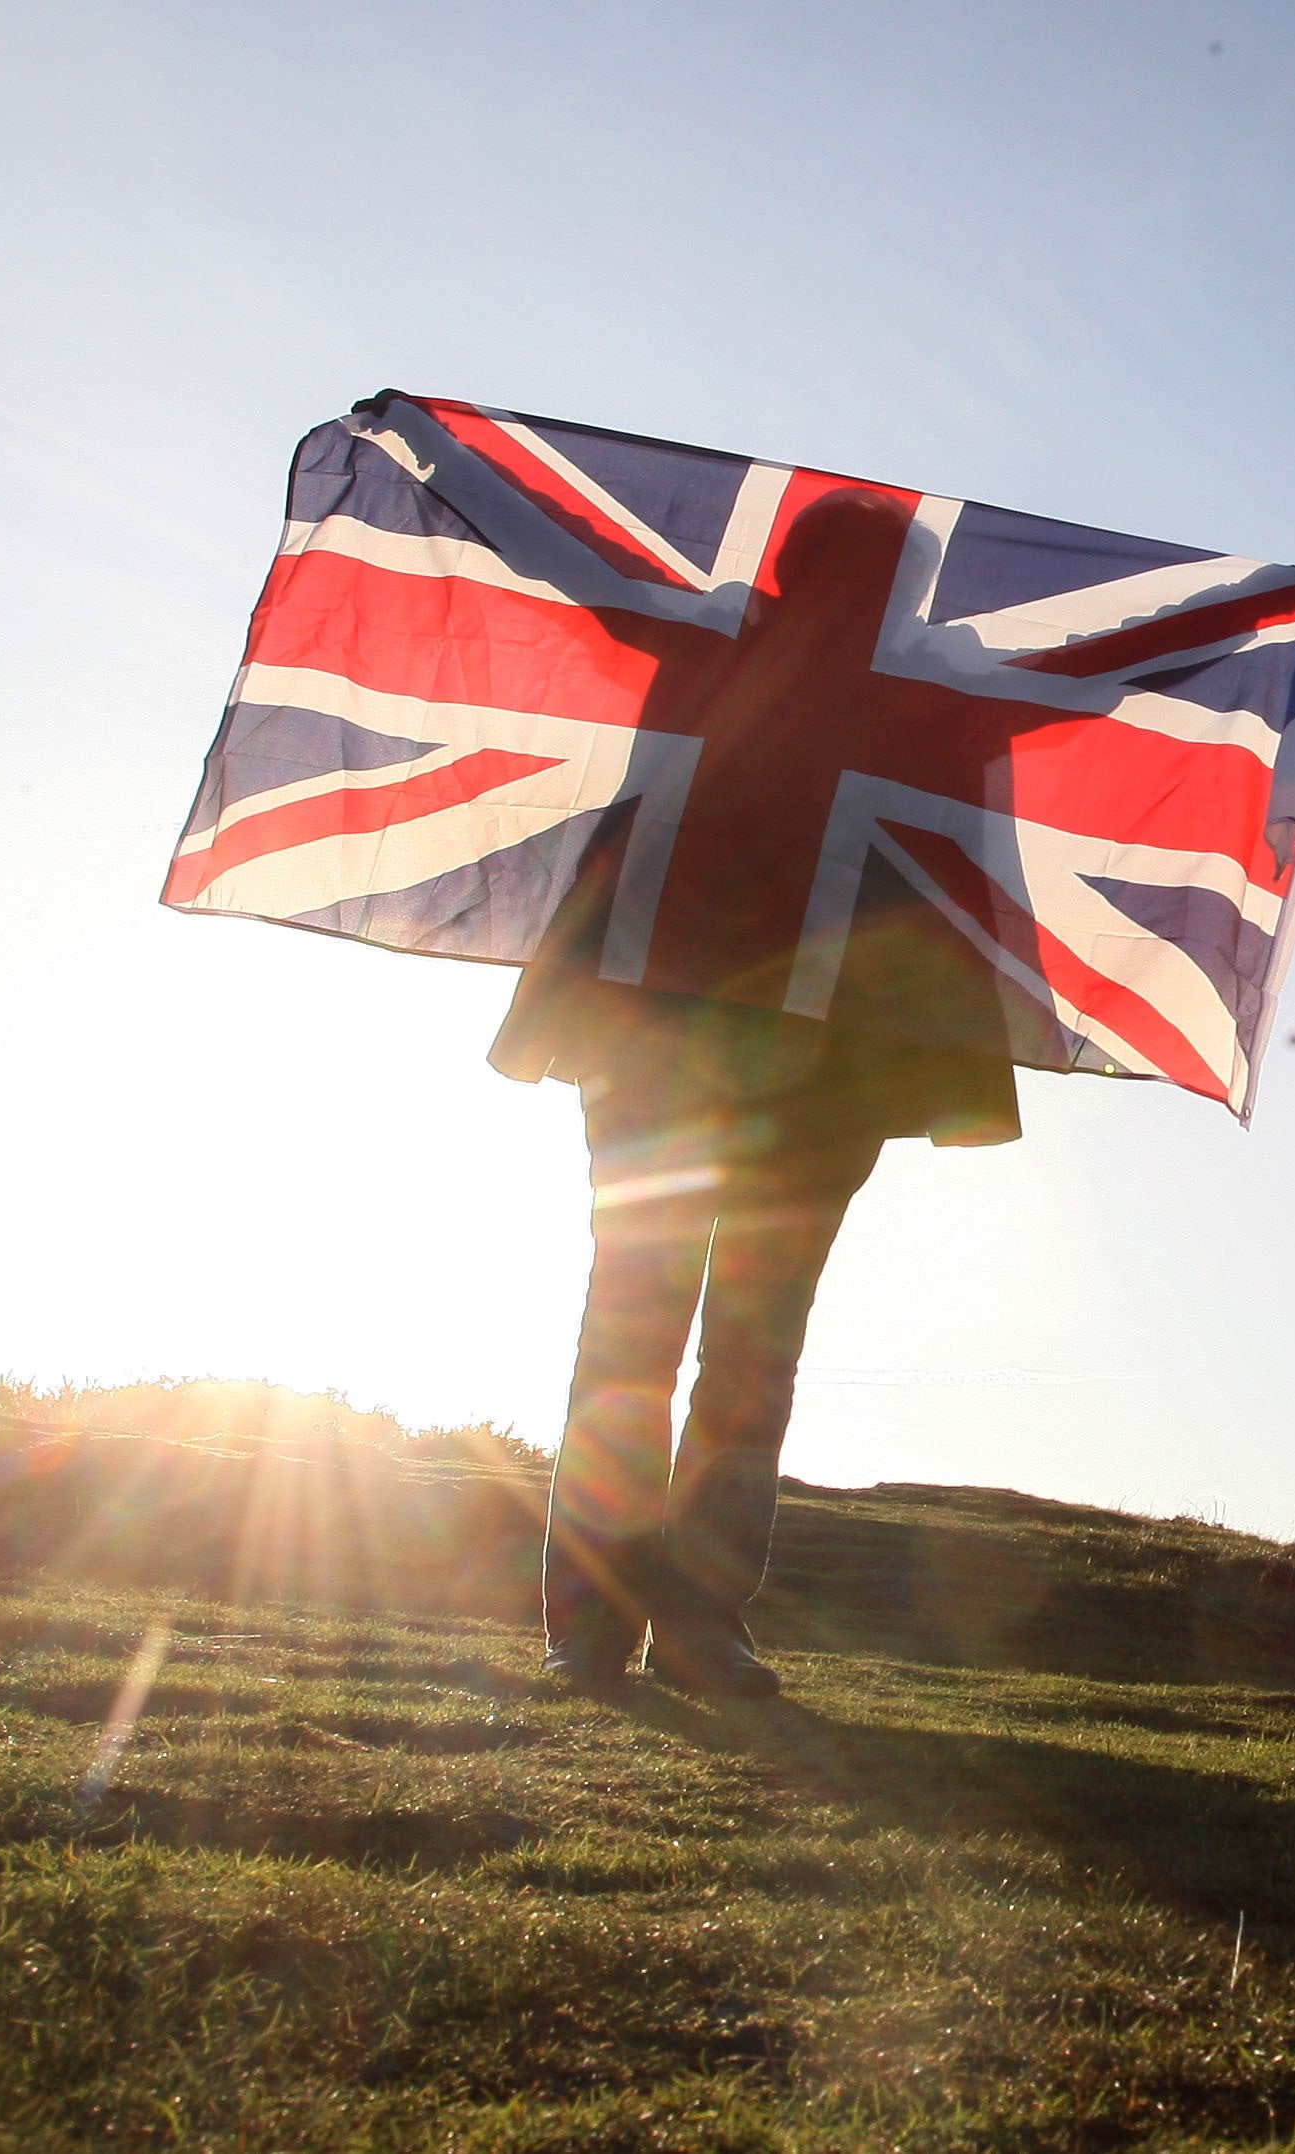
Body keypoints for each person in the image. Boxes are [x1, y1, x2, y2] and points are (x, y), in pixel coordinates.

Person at [496, 491, 1019, 1699]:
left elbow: (1110, 678)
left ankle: (659, 1624)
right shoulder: (740, 647)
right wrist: (432, 454)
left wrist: (1264, 612)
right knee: (703, 1336)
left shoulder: (912, 687)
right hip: (682, 1039)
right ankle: (628, 1623)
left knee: (705, 1337)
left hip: (797, 1052)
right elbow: (570, 562)